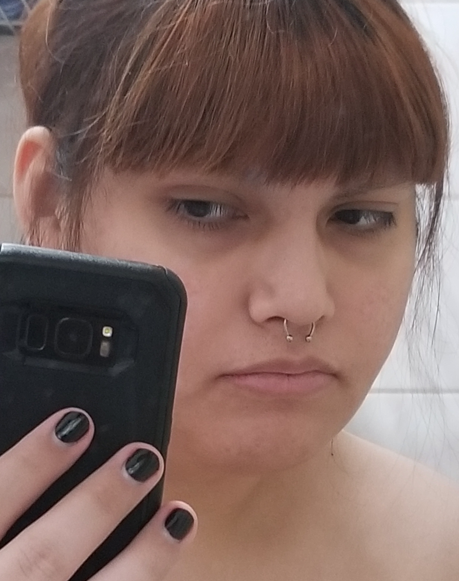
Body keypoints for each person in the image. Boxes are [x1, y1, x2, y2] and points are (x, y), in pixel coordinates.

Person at [2, 0, 459, 579]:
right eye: (205, 209)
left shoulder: (439, 546)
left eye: (358, 217)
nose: (302, 302)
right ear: (48, 199)